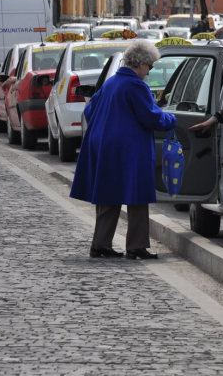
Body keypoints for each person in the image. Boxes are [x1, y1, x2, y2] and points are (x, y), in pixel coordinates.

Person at [70, 40, 177, 260]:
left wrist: (108, 124)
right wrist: (172, 119)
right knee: (137, 195)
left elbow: (90, 110)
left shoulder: (111, 83)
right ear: (140, 63)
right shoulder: (135, 86)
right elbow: (151, 117)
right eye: (150, 66)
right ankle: (137, 246)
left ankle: (100, 244)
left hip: (104, 144)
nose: (149, 72)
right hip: (127, 148)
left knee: (107, 195)